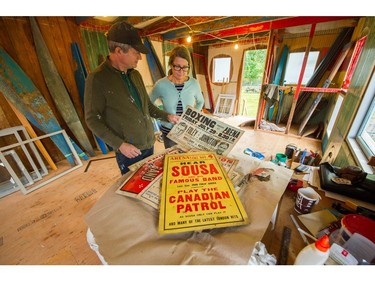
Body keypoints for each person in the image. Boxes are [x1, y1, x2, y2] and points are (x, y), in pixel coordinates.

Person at [84, 21, 180, 175]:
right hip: (128, 151)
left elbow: (147, 106)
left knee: (149, 180)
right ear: (119, 51)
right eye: (136, 53)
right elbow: (92, 119)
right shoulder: (97, 79)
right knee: (133, 190)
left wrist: (167, 116)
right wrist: (119, 145)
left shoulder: (135, 75)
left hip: (148, 143)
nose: (140, 58)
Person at [150, 45, 204, 148]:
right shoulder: (161, 85)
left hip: (188, 130)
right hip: (169, 131)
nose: (181, 71)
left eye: (185, 68)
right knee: (173, 158)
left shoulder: (194, 84)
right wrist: (164, 116)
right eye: (177, 67)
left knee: (188, 159)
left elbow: (200, 101)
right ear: (171, 65)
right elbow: (148, 103)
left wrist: (193, 115)